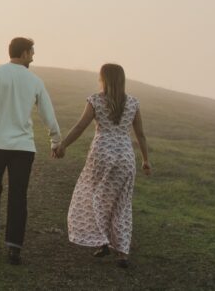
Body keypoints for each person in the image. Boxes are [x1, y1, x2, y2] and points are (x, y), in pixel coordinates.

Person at [0, 37, 62, 265]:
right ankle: (14, 248)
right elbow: (47, 112)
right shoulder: (35, 81)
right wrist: (55, 139)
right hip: (23, 148)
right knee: (18, 195)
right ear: (23, 53)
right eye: (32, 52)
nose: (33, 56)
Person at [53, 63, 151, 268]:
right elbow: (140, 134)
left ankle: (102, 241)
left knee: (95, 197)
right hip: (125, 157)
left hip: (102, 154)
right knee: (121, 204)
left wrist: (63, 145)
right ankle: (122, 253)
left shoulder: (96, 100)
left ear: (103, 79)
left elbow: (81, 126)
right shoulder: (133, 103)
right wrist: (145, 160)